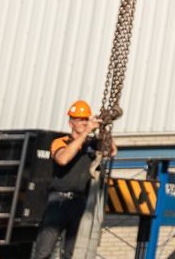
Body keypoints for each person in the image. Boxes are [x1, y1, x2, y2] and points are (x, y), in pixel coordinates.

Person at [32, 99, 114, 259]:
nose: (84, 123)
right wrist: (84, 134)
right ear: (71, 123)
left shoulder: (92, 143)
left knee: (70, 253)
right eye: (80, 120)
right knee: (44, 250)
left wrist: (105, 130)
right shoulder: (61, 142)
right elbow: (63, 159)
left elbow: (112, 151)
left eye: (86, 119)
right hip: (59, 201)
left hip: (80, 203)